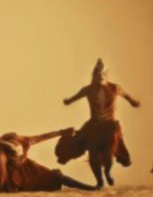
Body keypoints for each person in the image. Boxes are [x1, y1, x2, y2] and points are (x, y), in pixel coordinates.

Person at [56, 58, 140, 188]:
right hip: (94, 125)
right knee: (93, 154)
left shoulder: (115, 88)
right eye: (97, 75)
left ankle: (107, 172)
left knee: (109, 152)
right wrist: (68, 101)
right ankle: (99, 180)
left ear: (106, 75)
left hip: (110, 125)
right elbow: (74, 98)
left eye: (102, 74)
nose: (100, 77)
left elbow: (127, 96)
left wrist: (133, 102)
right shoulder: (88, 89)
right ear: (93, 76)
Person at [0, 129, 96, 192]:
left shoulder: (25, 141)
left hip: (29, 169)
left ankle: (87, 187)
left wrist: (61, 132)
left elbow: (43, 137)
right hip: (13, 177)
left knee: (56, 176)